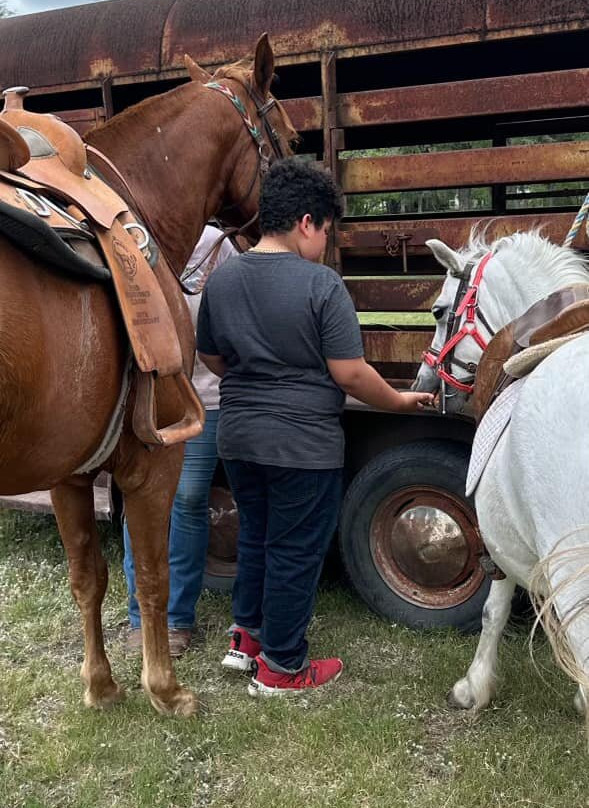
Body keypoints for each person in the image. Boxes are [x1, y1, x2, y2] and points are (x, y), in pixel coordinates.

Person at [196, 158, 434, 695]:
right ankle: (283, 668)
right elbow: (349, 372)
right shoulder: (321, 286)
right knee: (294, 549)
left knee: (256, 534)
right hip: (301, 445)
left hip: (238, 437)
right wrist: (396, 401)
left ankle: (247, 640)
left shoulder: (224, 278)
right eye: (326, 230)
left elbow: (212, 357)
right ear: (307, 221)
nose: (326, 243)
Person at [124, 225, 238, 657]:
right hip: (146, 398)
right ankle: (140, 616)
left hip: (203, 394)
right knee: (140, 500)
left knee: (189, 500)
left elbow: (230, 315)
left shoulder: (216, 245)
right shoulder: (131, 230)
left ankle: (175, 618)